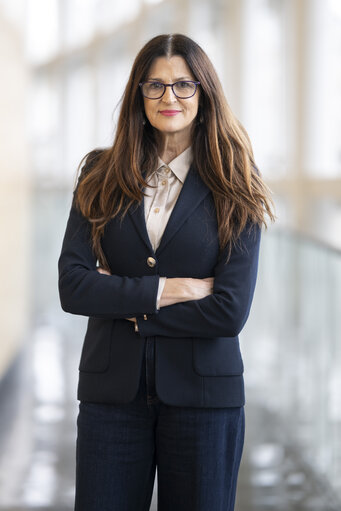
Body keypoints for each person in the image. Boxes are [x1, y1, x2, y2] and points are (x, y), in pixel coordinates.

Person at [58, 33, 274, 511]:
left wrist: (125, 301)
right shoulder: (100, 172)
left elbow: (229, 310)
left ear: (204, 92)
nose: (168, 97)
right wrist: (167, 290)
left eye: (183, 85)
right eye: (154, 86)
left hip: (204, 399)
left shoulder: (236, 179)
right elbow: (73, 285)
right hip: (111, 395)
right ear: (139, 94)